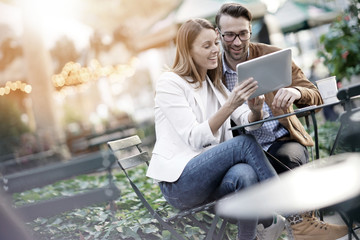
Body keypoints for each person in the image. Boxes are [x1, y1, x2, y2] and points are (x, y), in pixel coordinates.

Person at [215, 3, 348, 240]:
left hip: (282, 139)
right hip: (242, 152)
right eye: (229, 35)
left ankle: (300, 227)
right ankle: (298, 226)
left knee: (287, 159)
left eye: (243, 33)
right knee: (241, 179)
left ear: (250, 31)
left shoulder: (271, 55)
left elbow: (313, 94)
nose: (237, 42)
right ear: (219, 34)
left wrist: (297, 93)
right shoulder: (212, 71)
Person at [146, 18, 281, 240]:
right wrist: (230, 104)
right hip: (181, 184)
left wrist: (255, 110)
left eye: (216, 44)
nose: (215, 51)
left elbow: (247, 120)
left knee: (245, 174)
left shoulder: (213, 84)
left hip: (210, 179)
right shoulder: (169, 83)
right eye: (206, 46)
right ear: (188, 51)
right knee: (244, 144)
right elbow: (194, 138)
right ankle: (294, 215)